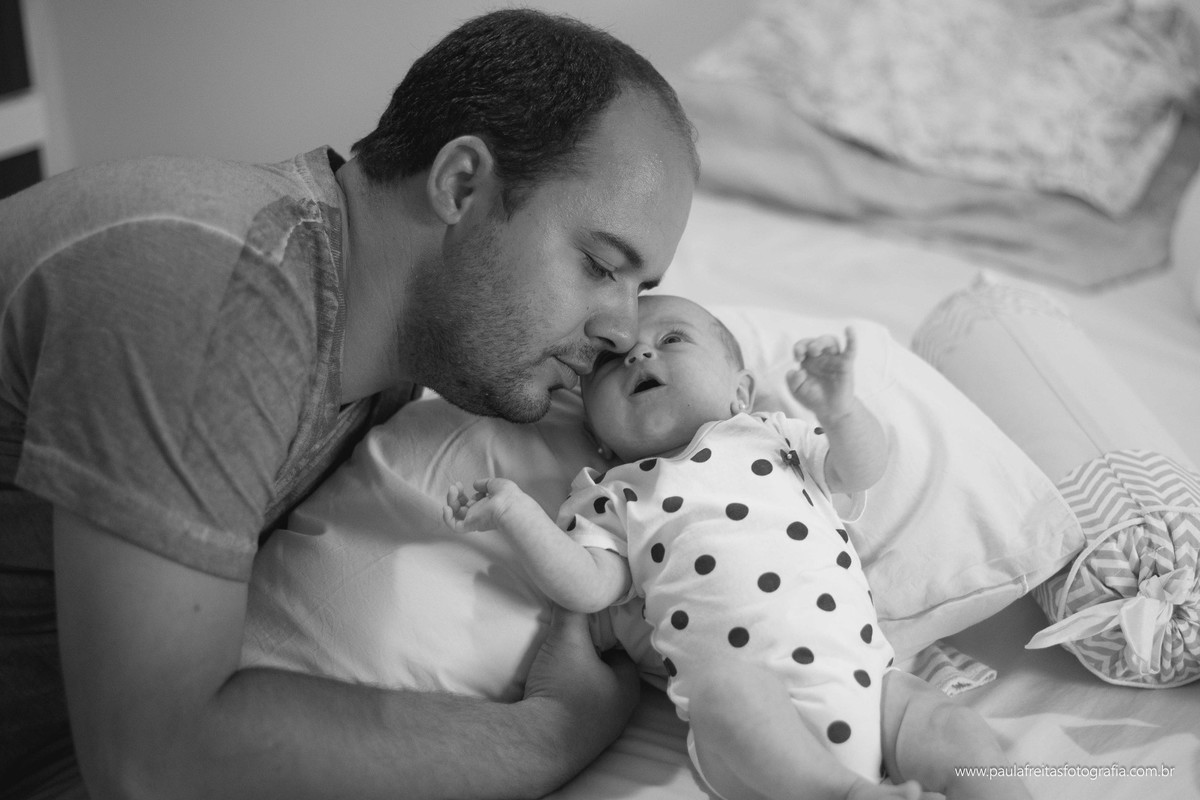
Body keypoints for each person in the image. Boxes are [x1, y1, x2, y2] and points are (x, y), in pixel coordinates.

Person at [0, 9, 698, 799]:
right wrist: (550, 733)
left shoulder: (382, 362)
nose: (623, 331)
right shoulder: (214, 283)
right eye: (601, 265)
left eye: (642, 289)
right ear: (462, 185)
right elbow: (155, 760)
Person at [446, 295, 1031, 800]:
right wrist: (516, 513)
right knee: (726, 691)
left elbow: (861, 470)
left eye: (672, 339)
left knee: (954, 730)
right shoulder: (616, 496)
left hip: (869, 687)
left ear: (741, 393)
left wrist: (840, 411)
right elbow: (587, 586)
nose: (639, 354)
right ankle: (843, 792)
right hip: (748, 734)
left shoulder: (774, 437)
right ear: (598, 437)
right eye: (609, 361)